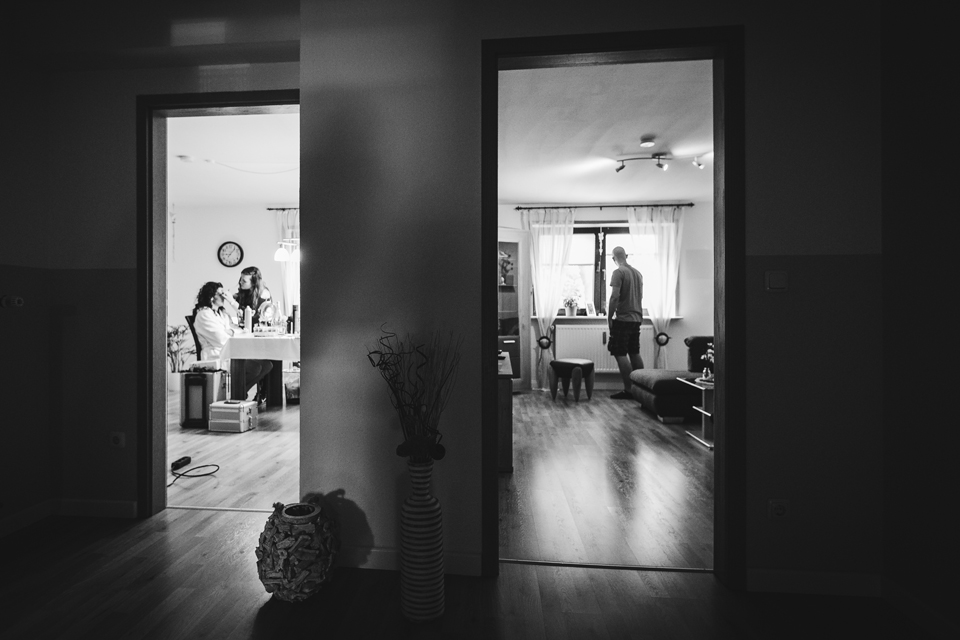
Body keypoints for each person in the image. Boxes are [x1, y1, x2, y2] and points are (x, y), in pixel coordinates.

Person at [192, 281, 273, 404]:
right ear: (212, 297)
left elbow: (237, 329)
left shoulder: (222, 313)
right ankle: (238, 394)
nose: (224, 297)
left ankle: (240, 392)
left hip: (230, 351)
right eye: (221, 294)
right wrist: (232, 332)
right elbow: (221, 340)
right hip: (217, 354)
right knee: (256, 367)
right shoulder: (203, 315)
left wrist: (230, 331)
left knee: (267, 365)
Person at [606, 246, 645, 399]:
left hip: (623, 319)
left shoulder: (618, 272)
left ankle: (629, 390)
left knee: (619, 352)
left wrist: (609, 317)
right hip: (636, 319)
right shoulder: (638, 273)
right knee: (634, 352)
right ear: (626, 256)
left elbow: (615, 296)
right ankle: (640, 389)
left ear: (613, 258)